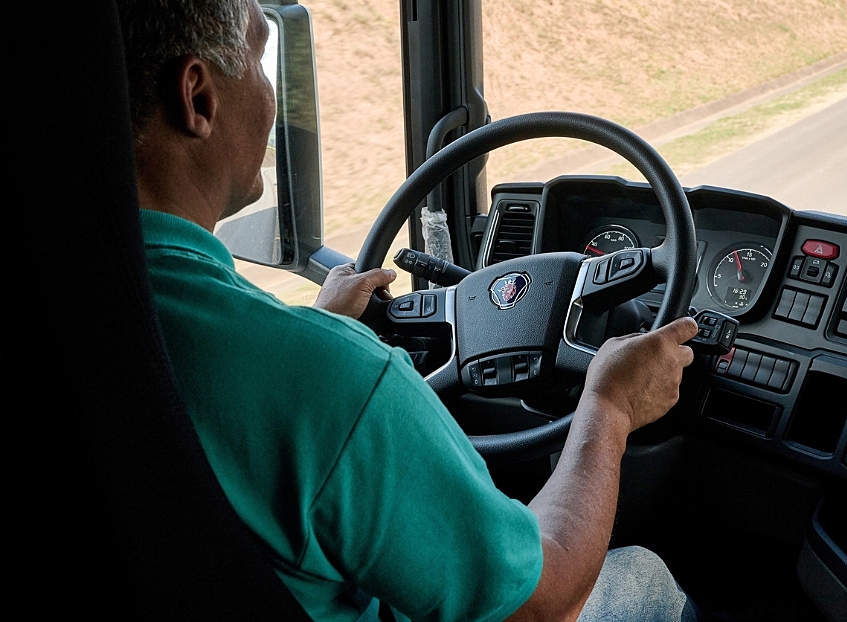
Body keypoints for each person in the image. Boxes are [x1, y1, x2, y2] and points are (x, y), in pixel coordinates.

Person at [118, 1, 701, 620]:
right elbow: (546, 602)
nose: (269, 94)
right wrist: (609, 407)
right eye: (262, 60)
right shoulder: (330, 381)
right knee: (646, 576)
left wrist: (327, 332)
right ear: (197, 98)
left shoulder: (120, 316)